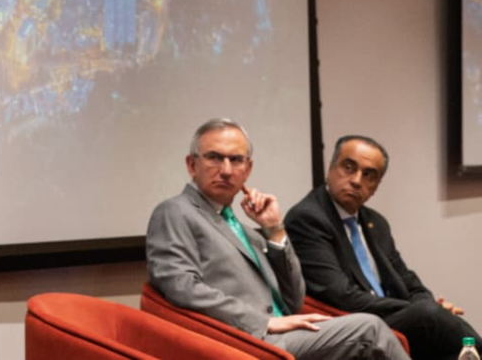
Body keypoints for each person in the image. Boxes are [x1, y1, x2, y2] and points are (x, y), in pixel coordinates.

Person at [146, 118, 407, 359]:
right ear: (192, 165)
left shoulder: (246, 231)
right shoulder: (175, 211)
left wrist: (274, 230)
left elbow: (293, 300)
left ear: (247, 170)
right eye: (214, 157)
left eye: (236, 160)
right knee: (369, 328)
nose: (226, 170)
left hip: (283, 334)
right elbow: (181, 286)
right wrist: (264, 322)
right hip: (244, 340)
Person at [286, 135, 479, 359]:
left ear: (376, 186)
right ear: (331, 168)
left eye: (369, 175)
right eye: (348, 167)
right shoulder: (308, 218)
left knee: (439, 322)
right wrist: (419, 311)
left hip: (386, 315)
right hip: (351, 323)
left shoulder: (375, 222)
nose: (357, 180)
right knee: (433, 318)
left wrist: (429, 306)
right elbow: (340, 295)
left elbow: (408, 281)